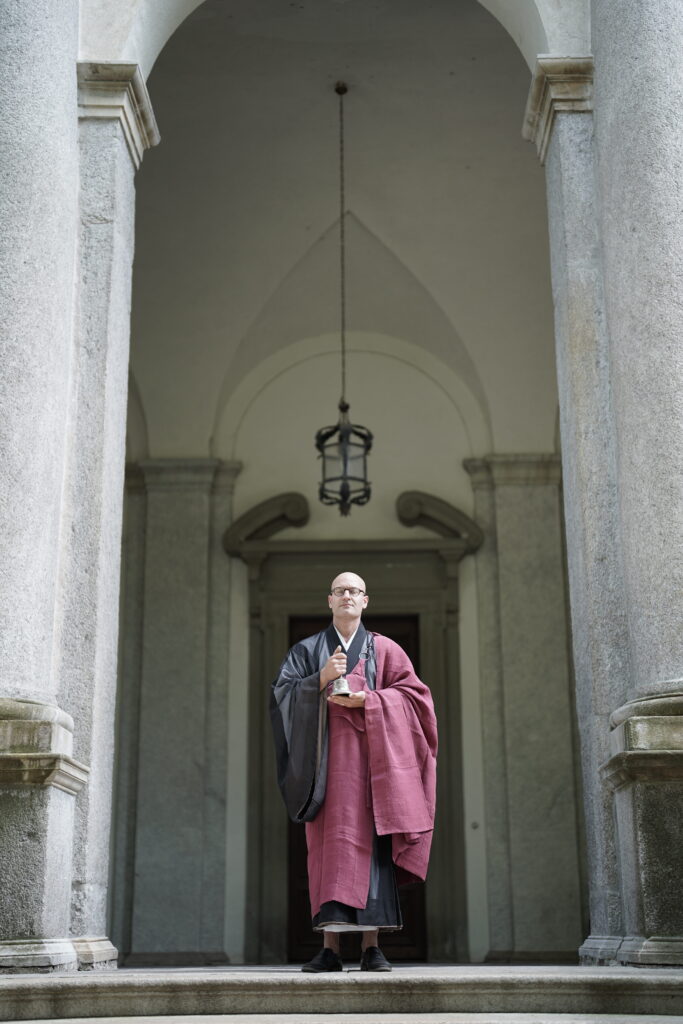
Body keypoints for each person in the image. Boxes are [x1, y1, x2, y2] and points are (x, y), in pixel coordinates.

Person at [270, 571, 437, 972]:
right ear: (329, 601)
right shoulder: (307, 651)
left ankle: (371, 947)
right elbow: (281, 697)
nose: (347, 596)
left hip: (373, 769)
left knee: (373, 850)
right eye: (340, 591)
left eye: (355, 591)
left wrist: (371, 700)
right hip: (326, 770)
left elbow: (417, 698)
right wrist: (320, 680)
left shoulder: (387, 650)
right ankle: (329, 947)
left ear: (366, 601)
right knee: (329, 850)